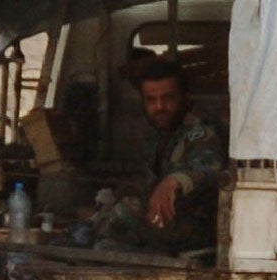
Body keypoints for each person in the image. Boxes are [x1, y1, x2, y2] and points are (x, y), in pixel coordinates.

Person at [89, 57, 225, 255]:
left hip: (201, 228)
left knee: (124, 215)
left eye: (168, 98)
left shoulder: (201, 130)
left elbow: (208, 165)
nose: (159, 107)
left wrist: (173, 181)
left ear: (184, 97)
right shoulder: (161, 135)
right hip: (170, 224)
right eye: (151, 100)